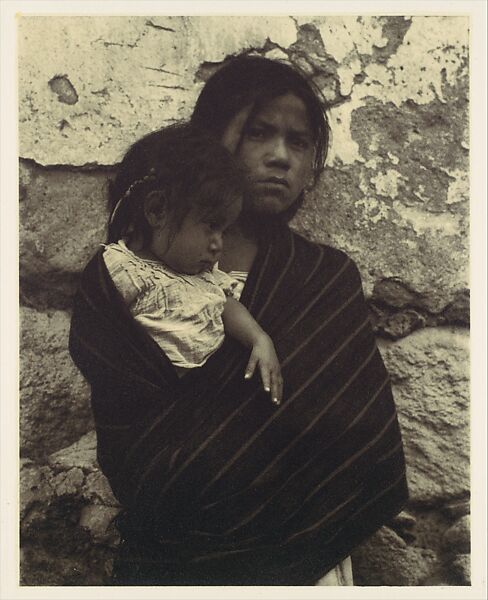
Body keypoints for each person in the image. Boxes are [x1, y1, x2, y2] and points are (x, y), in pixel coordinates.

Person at [69, 55, 408, 586]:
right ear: (211, 139)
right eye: (259, 133)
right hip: (171, 560)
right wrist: (203, 467)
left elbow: (351, 431)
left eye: (298, 143)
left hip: (301, 557)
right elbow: (129, 424)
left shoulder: (323, 280)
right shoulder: (122, 278)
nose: (280, 157)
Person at [103, 124, 282, 404]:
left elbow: (224, 305)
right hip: (150, 406)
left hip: (204, 403)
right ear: (156, 210)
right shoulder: (123, 269)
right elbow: (104, 331)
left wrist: (259, 339)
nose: (218, 243)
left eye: (224, 231)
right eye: (211, 226)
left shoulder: (203, 277)